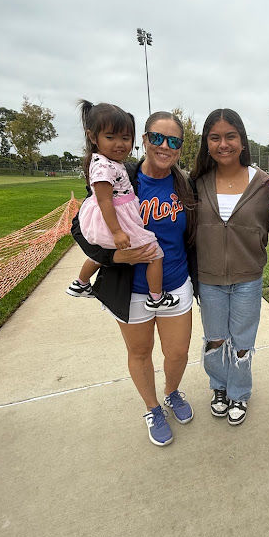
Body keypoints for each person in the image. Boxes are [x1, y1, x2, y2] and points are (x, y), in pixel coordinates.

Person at [71, 111, 197, 447]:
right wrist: (113, 256)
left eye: (174, 141)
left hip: (174, 284)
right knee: (140, 352)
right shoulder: (118, 174)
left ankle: (171, 393)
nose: (164, 146)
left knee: (178, 353)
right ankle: (152, 407)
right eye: (157, 137)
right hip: (131, 290)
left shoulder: (184, 183)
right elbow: (81, 229)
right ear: (144, 139)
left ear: (180, 147)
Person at [191, 109, 269, 425]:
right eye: (215, 137)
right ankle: (219, 387)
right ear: (206, 143)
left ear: (242, 140)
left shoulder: (263, 183)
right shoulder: (196, 183)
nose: (223, 144)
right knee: (215, 338)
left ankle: (239, 392)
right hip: (209, 279)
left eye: (230, 136)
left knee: (242, 341)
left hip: (247, 278)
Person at [66, 101, 179, 311]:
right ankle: (156, 297)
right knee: (155, 252)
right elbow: (98, 207)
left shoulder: (183, 183)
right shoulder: (106, 167)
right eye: (110, 137)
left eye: (125, 138)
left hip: (177, 279)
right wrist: (115, 247)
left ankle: (81, 283)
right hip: (118, 232)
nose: (119, 144)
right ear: (93, 137)